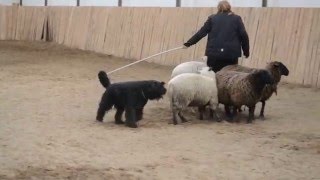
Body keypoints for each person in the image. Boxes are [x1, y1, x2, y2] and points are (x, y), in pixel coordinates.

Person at [183, 0, 250, 72]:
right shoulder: (236, 19)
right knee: (228, 77)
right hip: (230, 55)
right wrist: (246, 52)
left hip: (214, 55)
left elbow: (201, 33)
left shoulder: (212, 18)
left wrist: (188, 43)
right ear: (229, 7)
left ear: (218, 8)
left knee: (213, 77)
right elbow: (244, 35)